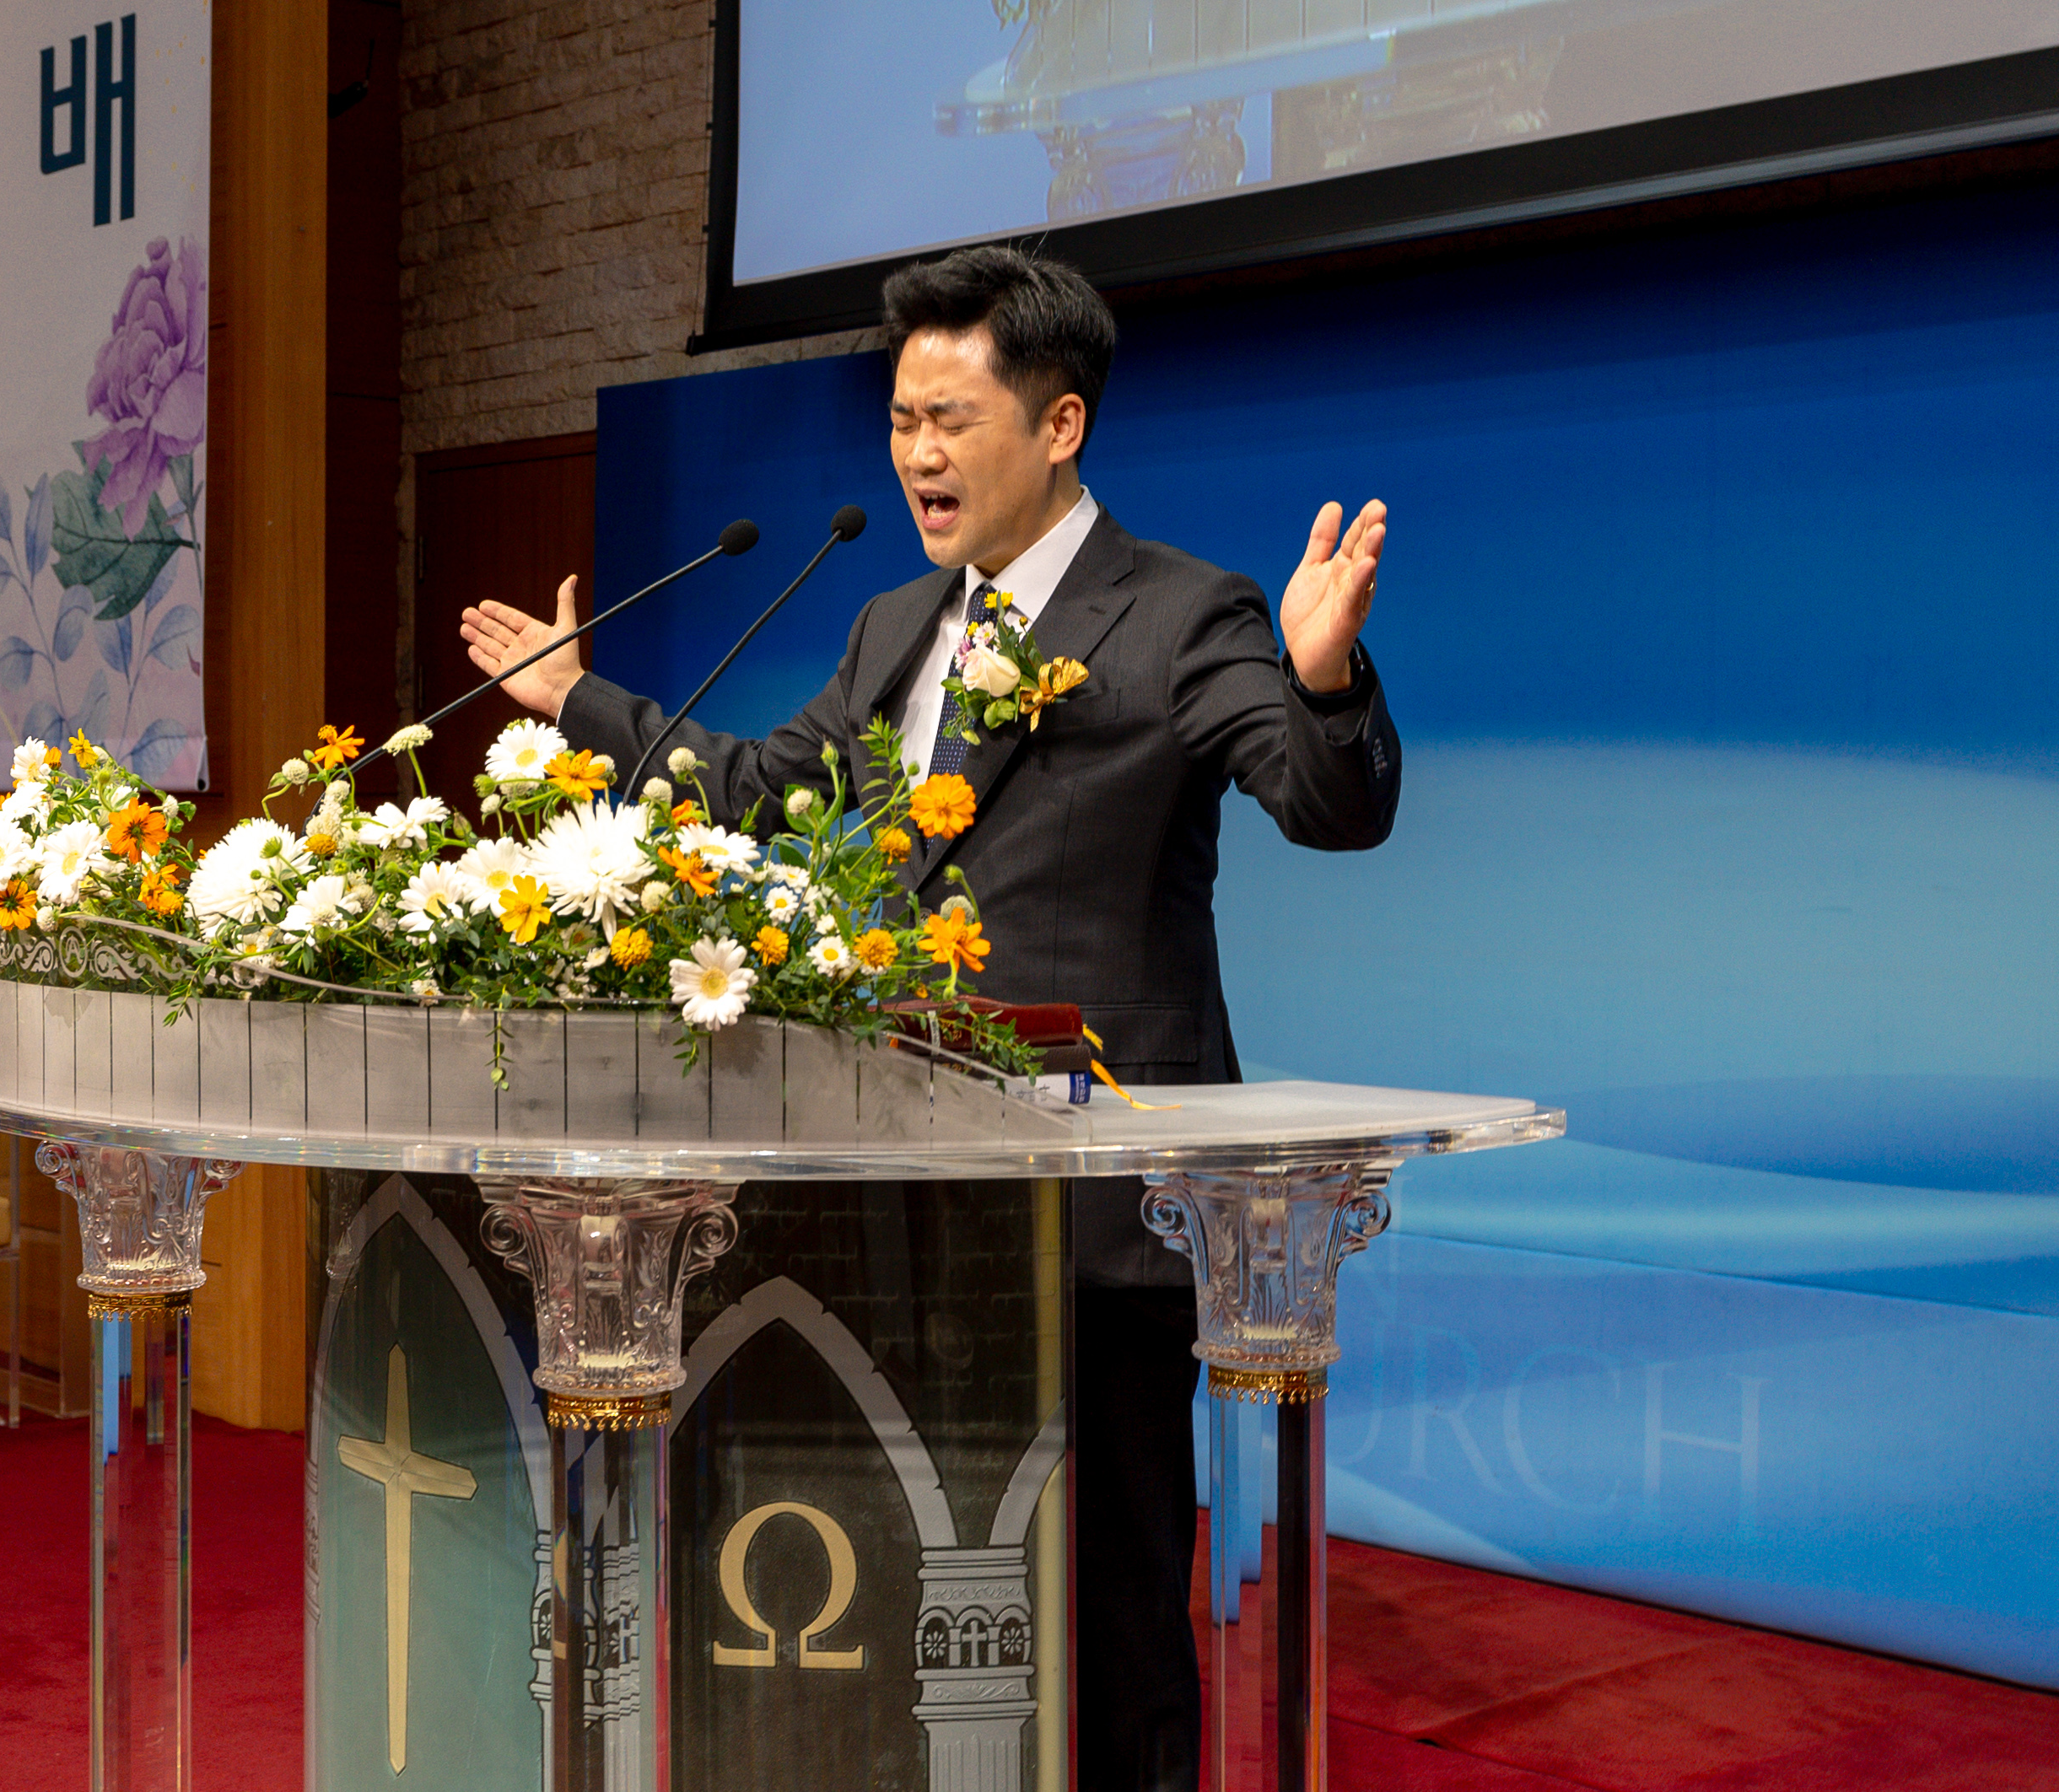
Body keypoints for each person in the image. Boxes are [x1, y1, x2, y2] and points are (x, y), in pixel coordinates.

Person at [461, 245, 1399, 1792]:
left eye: (950, 417)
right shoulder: (895, 621)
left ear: (1059, 423)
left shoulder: (1180, 610)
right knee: (928, 1590)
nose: (916, 453)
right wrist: (580, 702)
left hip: (1094, 1216)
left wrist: (1323, 677)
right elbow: (758, 792)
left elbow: (1325, 804)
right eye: (901, 419)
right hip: (902, 1203)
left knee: (1113, 1615)